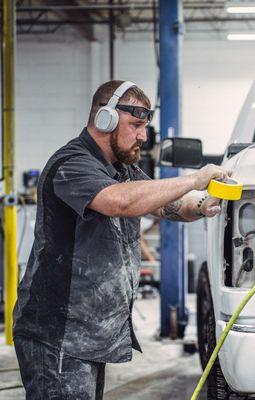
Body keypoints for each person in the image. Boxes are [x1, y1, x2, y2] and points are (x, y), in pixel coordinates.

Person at [12, 80, 229, 399]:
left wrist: (203, 204)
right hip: (58, 332)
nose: (143, 136)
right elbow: (121, 202)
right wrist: (195, 178)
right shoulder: (72, 164)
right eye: (136, 125)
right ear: (105, 119)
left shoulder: (120, 169)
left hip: (88, 333)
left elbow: (163, 203)